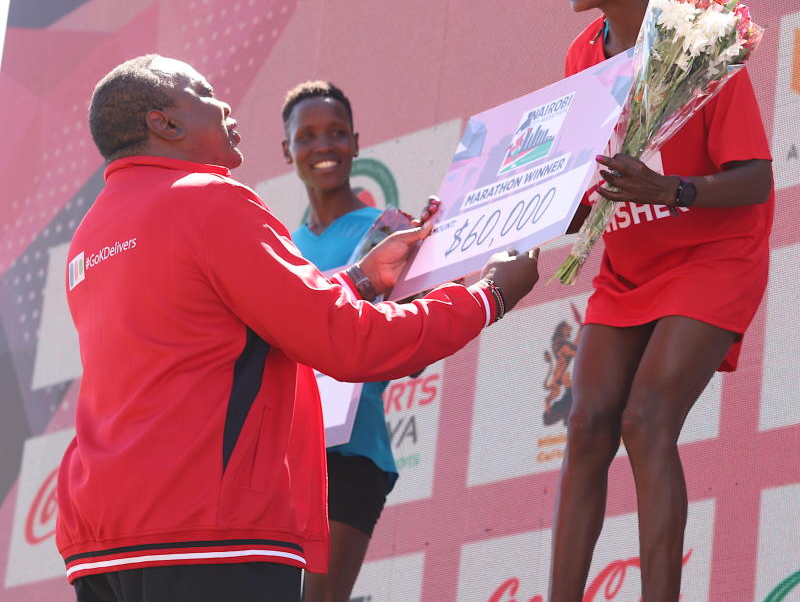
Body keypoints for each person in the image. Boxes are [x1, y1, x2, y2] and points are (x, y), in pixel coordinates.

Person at [57, 54, 540, 602]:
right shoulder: (209, 198)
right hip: (209, 534)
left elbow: (222, 329)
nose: (224, 106)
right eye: (205, 94)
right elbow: (350, 342)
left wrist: (357, 278)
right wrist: (489, 296)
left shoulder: (91, 233)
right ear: (164, 124)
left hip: (100, 540)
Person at [550, 0, 773, 602]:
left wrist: (669, 191)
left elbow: (756, 180)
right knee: (585, 423)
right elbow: (582, 177)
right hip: (629, 263)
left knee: (646, 420)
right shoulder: (583, 54)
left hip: (712, 254)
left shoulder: (702, 35)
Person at [280, 80, 437, 602]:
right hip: (282, 460)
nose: (323, 146)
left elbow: (411, 360)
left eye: (336, 133)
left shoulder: (389, 232)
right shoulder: (278, 250)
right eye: (306, 135)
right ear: (287, 151)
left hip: (353, 455)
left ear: (356, 143)